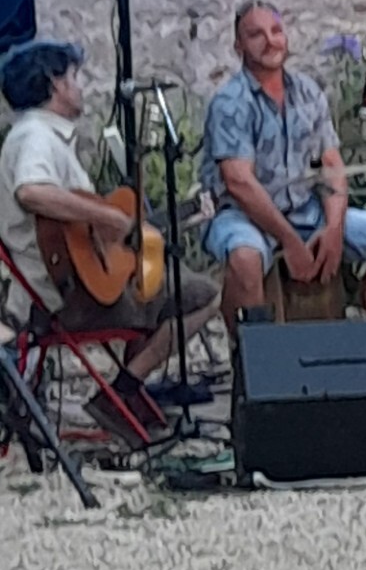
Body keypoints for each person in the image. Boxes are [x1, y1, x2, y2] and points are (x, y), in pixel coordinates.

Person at [0, 38, 220, 444]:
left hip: (71, 284)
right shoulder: (35, 137)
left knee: (165, 281)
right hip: (61, 297)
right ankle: (121, 392)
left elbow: (85, 234)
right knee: (202, 294)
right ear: (55, 84)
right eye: (75, 77)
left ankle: (125, 396)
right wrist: (104, 214)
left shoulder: (42, 137)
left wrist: (158, 223)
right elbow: (31, 191)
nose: (81, 86)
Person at [201, 0, 366, 332]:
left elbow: (332, 167)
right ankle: (256, 366)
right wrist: (289, 240)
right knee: (245, 259)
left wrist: (334, 229)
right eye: (256, 35)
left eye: (276, 31)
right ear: (238, 46)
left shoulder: (308, 92)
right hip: (242, 217)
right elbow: (238, 183)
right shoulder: (230, 102)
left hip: (305, 211)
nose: (270, 41)